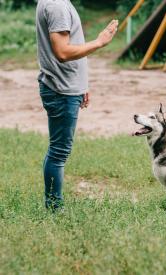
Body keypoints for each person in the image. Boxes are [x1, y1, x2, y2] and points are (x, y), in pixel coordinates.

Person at [36, 0, 118, 211]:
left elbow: (70, 47)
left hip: (65, 86)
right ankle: (55, 209)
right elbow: (63, 52)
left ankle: (53, 205)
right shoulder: (57, 6)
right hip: (60, 90)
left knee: (57, 151)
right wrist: (99, 42)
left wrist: (81, 84)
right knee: (58, 152)